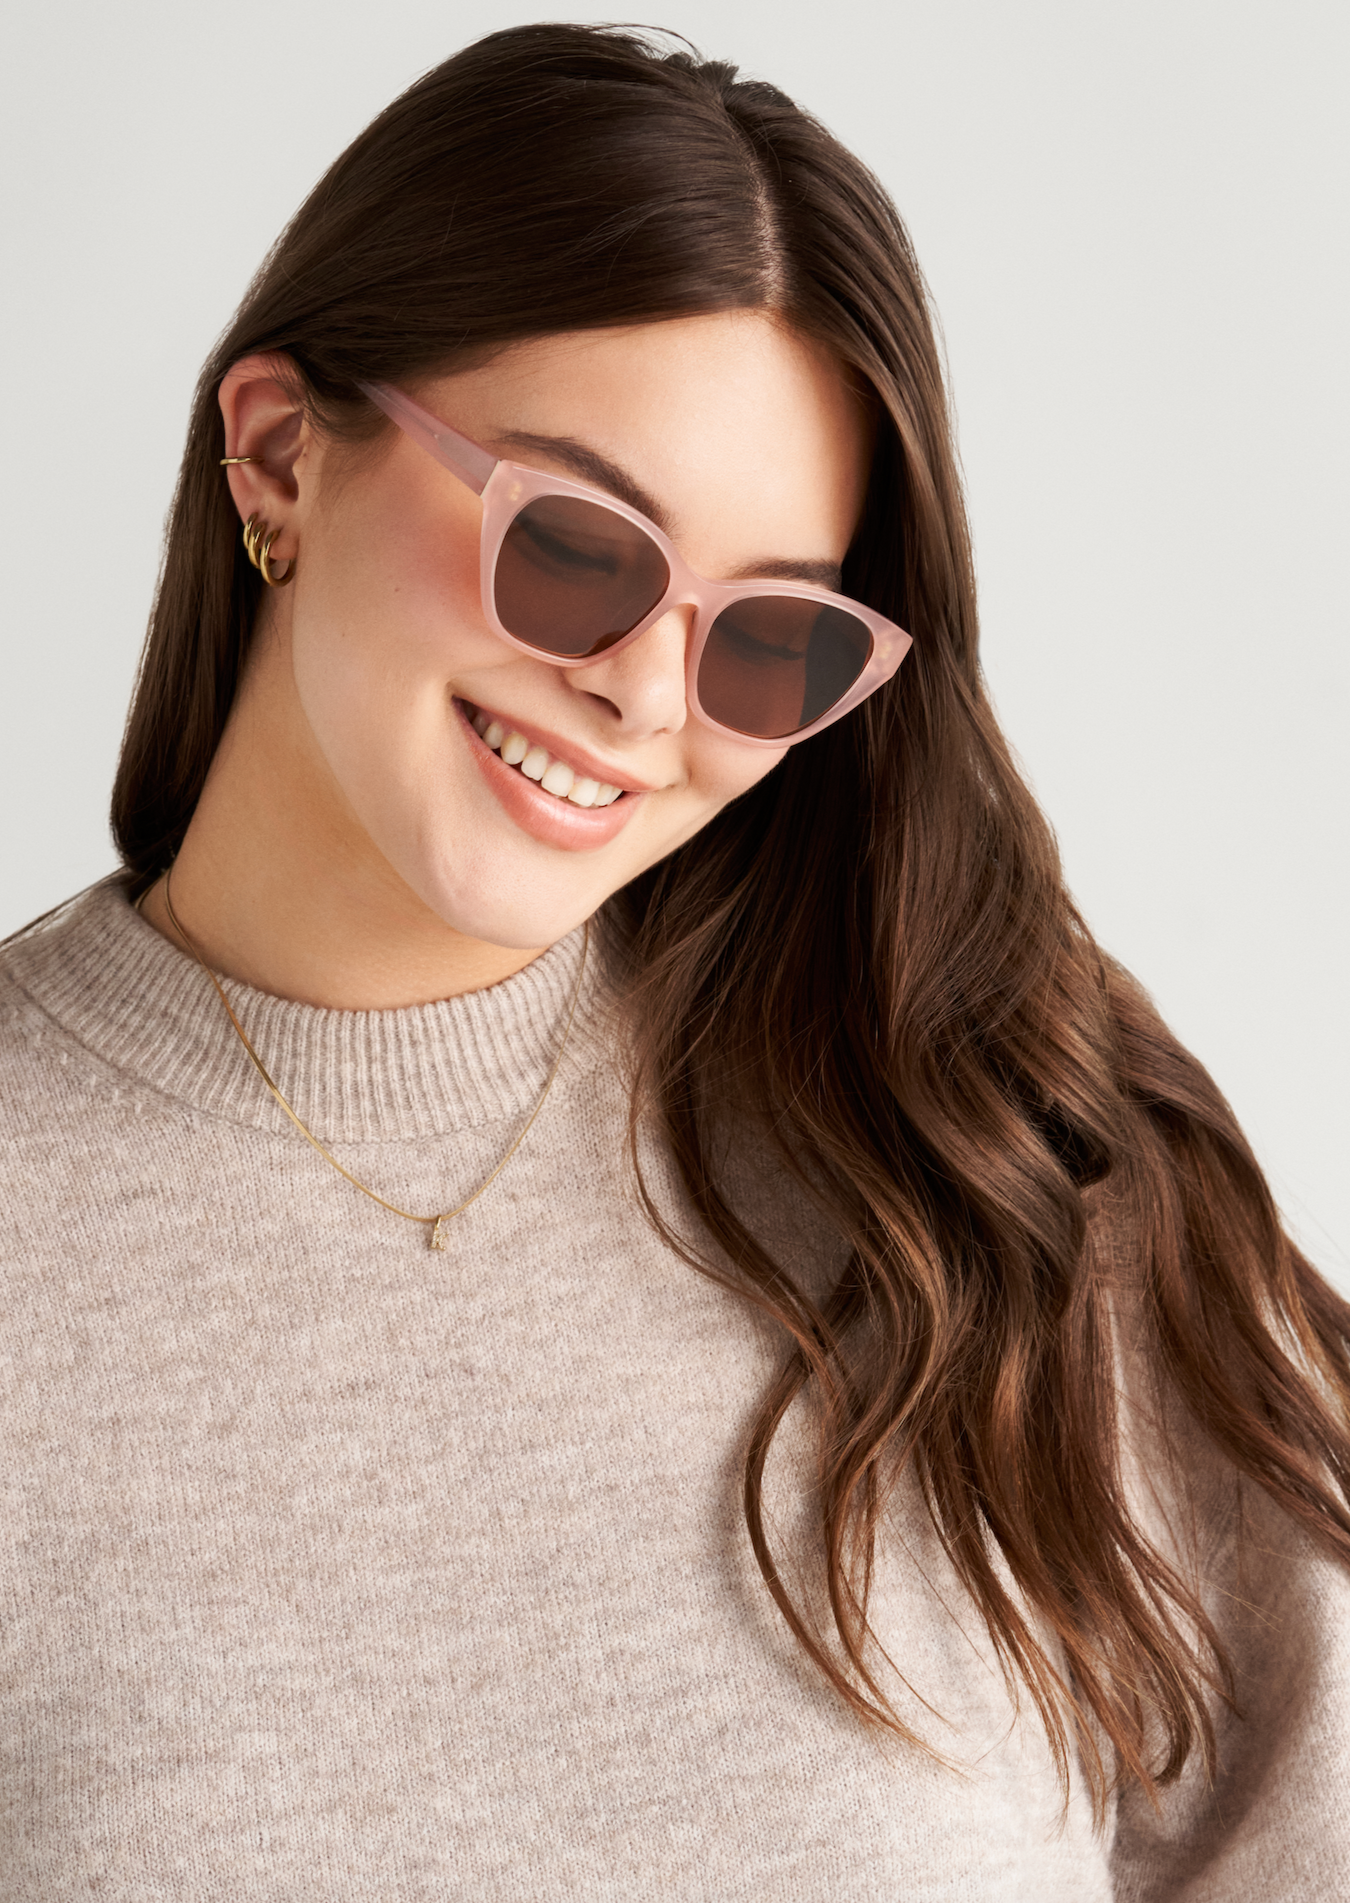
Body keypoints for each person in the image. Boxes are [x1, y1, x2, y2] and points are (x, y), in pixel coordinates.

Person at [1, 22, 1346, 1899]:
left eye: (767, 641)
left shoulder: (977, 1163)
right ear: (282, 457)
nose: (645, 692)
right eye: (575, 543)